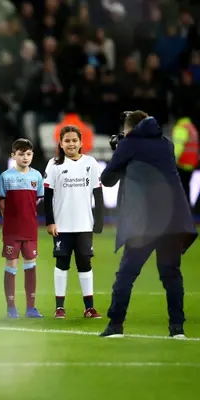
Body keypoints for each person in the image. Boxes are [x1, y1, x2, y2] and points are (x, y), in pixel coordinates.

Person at [99, 111, 197, 338]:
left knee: (126, 274)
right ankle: (177, 329)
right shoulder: (167, 144)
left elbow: (107, 179)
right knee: (171, 274)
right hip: (173, 220)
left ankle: (115, 326)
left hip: (145, 222)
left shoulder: (129, 144)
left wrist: (119, 151)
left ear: (130, 128)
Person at [44, 126, 104, 319]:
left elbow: (98, 193)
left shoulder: (91, 163)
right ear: (60, 144)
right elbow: (48, 195)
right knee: (62, 263)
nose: (71, 144)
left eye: (74, 140)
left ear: (81, 142)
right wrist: (50, 222)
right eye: (67, 141)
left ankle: (89, 307)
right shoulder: (54, 164)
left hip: (84, 224)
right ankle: (59, 307)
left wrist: (99, 219)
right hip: (62, 225)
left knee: (85, 264)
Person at [0, 139, 44, 319]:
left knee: (31, 265)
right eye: (21, 154)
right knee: (11, 265)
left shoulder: (36, 176)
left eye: (28, 154)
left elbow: (37, 199)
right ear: (13, 155)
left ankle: (31, 307)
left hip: (30, 229)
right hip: (11, 230)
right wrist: (9, 215)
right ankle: (11, 307)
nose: (25, 157)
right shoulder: (6, 177)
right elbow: (1, 199)